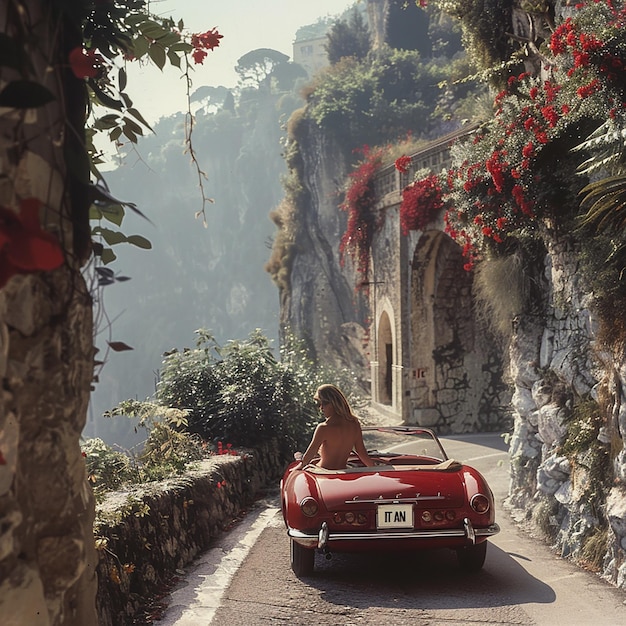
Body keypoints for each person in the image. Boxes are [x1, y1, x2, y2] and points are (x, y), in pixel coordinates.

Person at [295, 384, 376, 470]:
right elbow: (362, 453)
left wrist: (300, 466)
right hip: (343, 472)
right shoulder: (354, 424)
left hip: (324, 473)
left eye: (325, 403)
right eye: (319, 403)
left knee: (297, 455)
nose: (321, 408)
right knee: (299, 455)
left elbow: (310, 454)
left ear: (334, 403)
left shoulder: (324, 428)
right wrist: (375, 470)